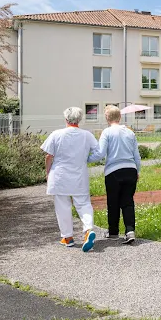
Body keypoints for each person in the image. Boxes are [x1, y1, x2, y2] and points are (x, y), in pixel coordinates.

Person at [41, 107, 98, 252]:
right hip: (79, 175)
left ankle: (67, 237)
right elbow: (98, 152)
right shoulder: (87, 135)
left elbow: (49, 156)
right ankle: (88, 230)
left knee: (62, 207)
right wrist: (85, 160)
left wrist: (48, 173)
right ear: (80, 119)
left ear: (66, 119)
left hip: (60, 175)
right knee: (84, 204)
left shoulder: (56, 134)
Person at [88, 105, 141, 244]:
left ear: (107, 118)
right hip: (130, 169)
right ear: (120, 117)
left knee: (113, 202)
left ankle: (113, 232)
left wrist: (85, 159)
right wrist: (137, 171)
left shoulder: (107, 132)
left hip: (113, 171)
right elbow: (137, 155)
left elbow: (100, 153)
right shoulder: (130, 132)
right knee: (128, 201)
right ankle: (130, 231)